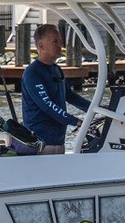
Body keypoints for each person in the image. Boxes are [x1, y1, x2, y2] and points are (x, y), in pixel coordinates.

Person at [21, 24, 91, 153]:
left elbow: (69, 95)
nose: (60, 45)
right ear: (41, 46)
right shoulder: (33, 73)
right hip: (40, 144)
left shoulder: (56, 69)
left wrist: (95, 109)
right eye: (55, 41)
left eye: (60, 41)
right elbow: (47, 105)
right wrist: (76, 121)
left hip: (58, 141)